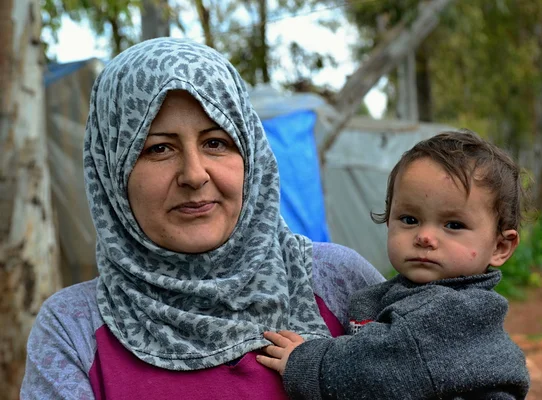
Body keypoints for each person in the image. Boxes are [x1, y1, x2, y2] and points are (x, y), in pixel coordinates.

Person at [20, 37, 386, 399]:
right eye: (159, 148)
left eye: (215, 142)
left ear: (251, 155)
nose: (194, 175)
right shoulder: (74, 329)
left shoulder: (338, 282)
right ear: (113, 173)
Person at [257, 131, 531, 399]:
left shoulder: (455, 311)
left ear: (500, 247)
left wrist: (305, 362)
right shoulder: (412, 294)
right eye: (410, 219)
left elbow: (376, 369)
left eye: (453, 225)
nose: (425, 237)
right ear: (388, 220)